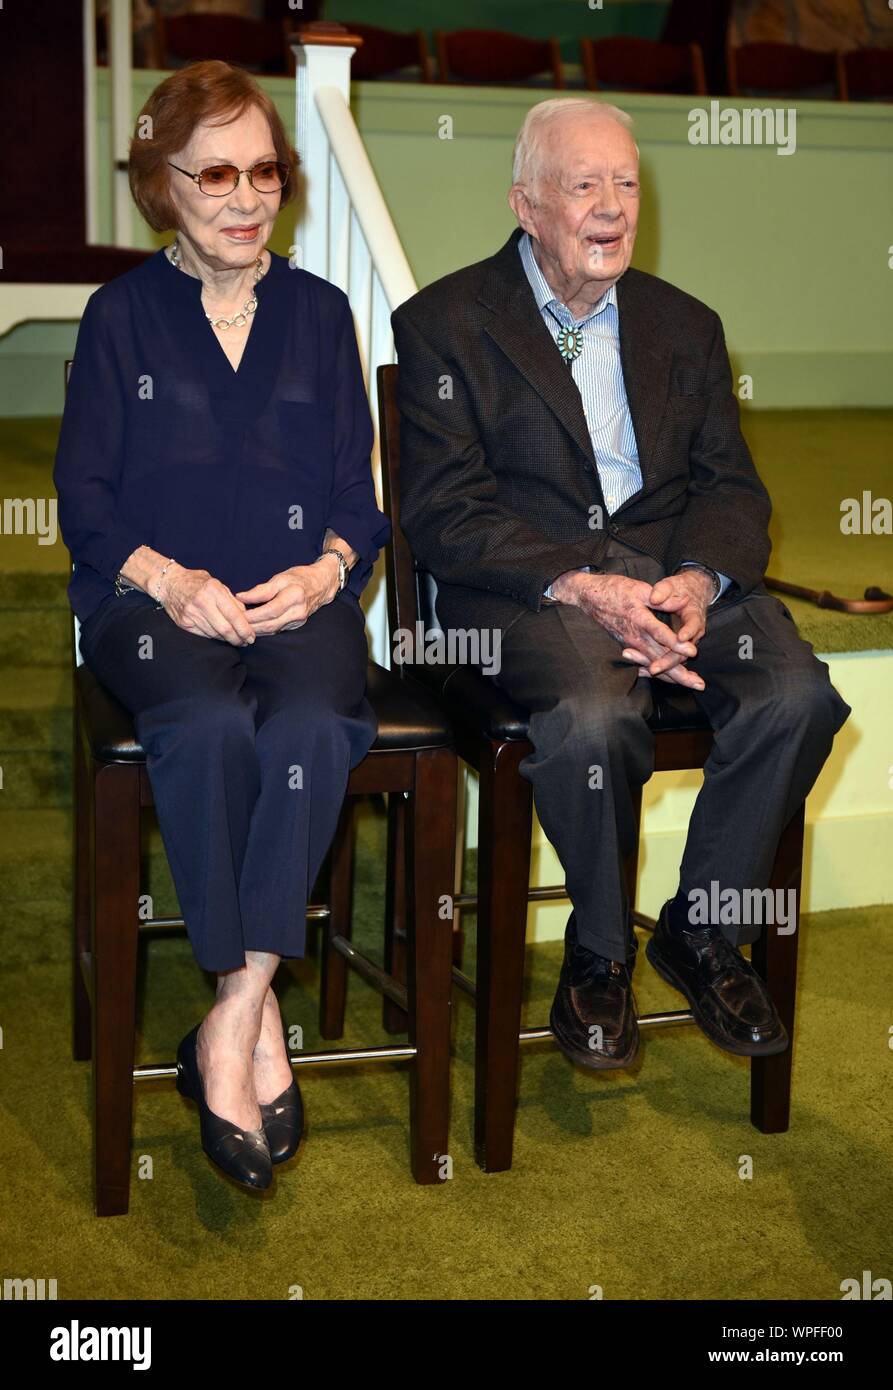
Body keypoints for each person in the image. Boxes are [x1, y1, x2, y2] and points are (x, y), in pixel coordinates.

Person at [391, 97, 850, 1074]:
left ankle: (697, 928)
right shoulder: (444, 325)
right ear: (524, 203)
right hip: (532, 591)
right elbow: (443, 513)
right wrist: (583, 583)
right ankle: (597, 955)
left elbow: (730, 487)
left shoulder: (684, 325)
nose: (611, 207)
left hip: (671, 577)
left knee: (796, 695)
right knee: (597, 716)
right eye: (583, 184)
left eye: (627, 183)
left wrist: (693, 578)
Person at [54, 60, 389, 1191]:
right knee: (203, 722)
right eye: (216, 175)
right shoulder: (118, 317)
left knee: (309, 720)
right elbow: (84, 504)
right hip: (152, 603)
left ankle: (233, 1016)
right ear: (163, 185)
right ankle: (254, 1019)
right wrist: (166, 579)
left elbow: (358, 496)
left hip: (292, 598)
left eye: (264, 171)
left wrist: (327, 569)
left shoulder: (320, 312)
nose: (248, 198)